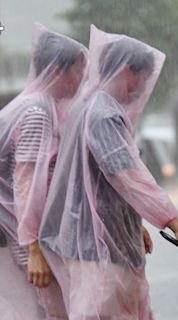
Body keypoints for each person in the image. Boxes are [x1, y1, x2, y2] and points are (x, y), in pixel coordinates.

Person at [39, 25, 178, 320]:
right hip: (99, 247)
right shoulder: (104, 114)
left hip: (93, 241)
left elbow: (97, 181)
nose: (142, 87)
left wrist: (133, 223)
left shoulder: (85, 106)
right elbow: (127, 175)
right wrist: (174, 224)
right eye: (142, 77)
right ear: (127, 70)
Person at [0, 23, 87, 318]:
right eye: (79, 69)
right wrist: (33, 250)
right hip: (16, 240)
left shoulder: (29, 106)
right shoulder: (36, 114)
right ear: (57, 71)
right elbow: (25, 186)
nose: (83, 78)